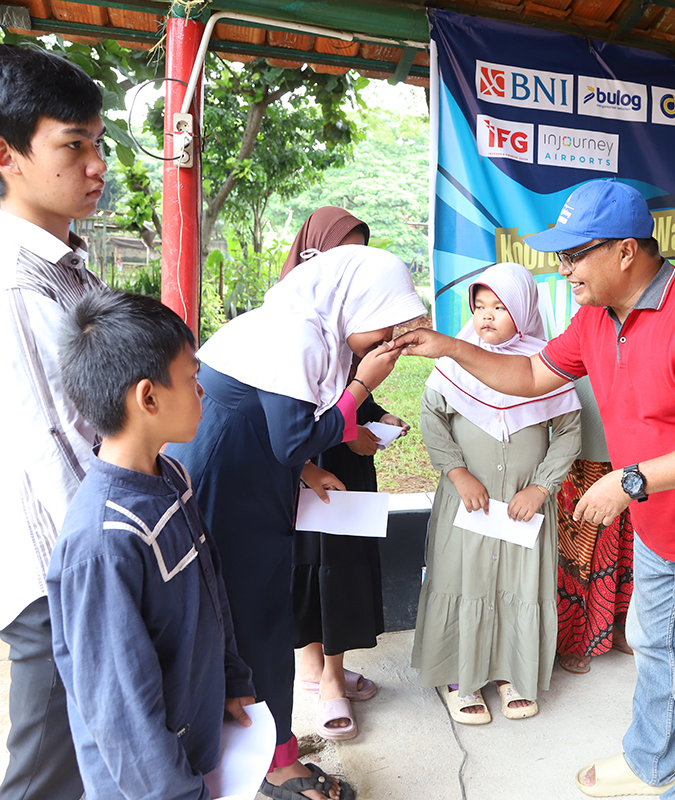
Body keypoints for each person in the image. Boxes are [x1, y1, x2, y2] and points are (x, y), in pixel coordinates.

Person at [393, 180, 675, 799]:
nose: (564, 267)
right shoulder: (596, 316)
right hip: (662, 524)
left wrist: (630, 481)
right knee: (654, 650)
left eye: (575, 253)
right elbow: (528, 374)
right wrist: (446, 346)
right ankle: (650, 760)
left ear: (626, 251)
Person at [166, 245, 424, 800]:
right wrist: (361, 387)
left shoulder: (297, 326)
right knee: (257, 624)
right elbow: (290, 438)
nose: (386, 343)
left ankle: (258, 745)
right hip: (230, 494)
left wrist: (307, 470)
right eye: (382, 326)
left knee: (248, 622)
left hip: (239, 481)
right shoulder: (298, 336)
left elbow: (271, 426)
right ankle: (276, 764)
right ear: (352, 304)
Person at [0, 43, 108, 800]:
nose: (97, 164)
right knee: (46, 778)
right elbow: (61, 452)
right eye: (74, 146)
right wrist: (121, 580)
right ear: (4, 154)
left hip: (89, 568)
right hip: (61, 582)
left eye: (97, 143)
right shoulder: (10, 289)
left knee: (93, 756)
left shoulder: (69, 266)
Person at [48, 291, 255, 799]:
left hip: (191, 743)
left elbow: (210, 588)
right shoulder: (103, 543)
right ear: (148, 397)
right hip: (149, 785)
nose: (202, 392)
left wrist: (230, 677)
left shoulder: (172, 474)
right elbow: (118, 709)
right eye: (191, 380)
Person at [413, 262, 581, 722]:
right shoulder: (455, 362)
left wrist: (543, 488)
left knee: (517, 582)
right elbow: (433, 420)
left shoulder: (546, 366)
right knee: (462, 577)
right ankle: (458, 676)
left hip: (524, 503)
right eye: (480, 306)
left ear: (524, 311)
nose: (486, 316)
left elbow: (568, 431)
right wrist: (456, 473)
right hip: (468, 500)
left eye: (499, 307)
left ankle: (512, 673)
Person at [283, 207, 406, 741]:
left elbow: (360, 394)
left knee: (341, 565)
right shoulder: (289, 325)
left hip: (345, 469)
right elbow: (293, 418)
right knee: (312, 565)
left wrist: (378, 418)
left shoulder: (351, 328)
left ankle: (326, 669)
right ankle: (321, 676)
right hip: (305, 468)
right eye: (342, 256)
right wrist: (336, 441)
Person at [555, 377, 634, 676]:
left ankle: (613, 625)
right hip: (583, 444)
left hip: (632, 450)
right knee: (579, 548)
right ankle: (574, 638)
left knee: (622, 542)